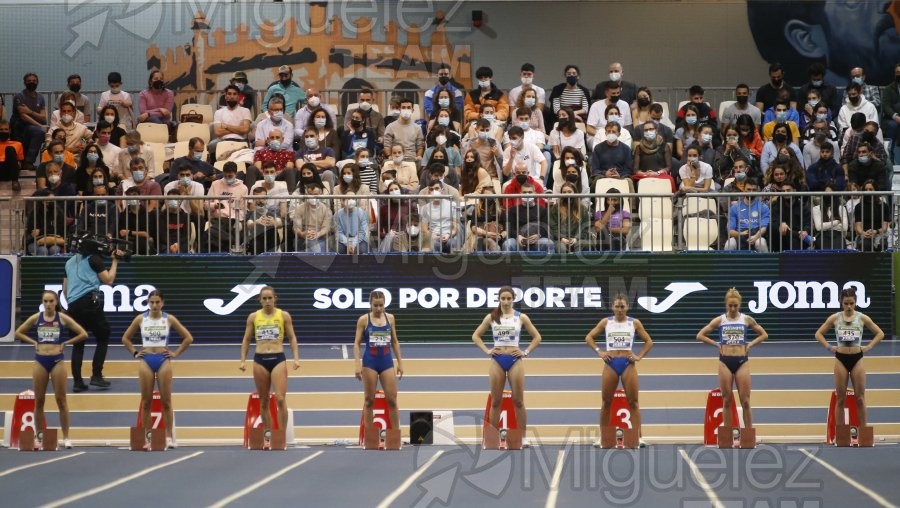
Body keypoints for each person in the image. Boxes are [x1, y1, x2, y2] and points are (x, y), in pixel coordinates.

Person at [15, 290, 88, 449]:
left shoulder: (62, 318)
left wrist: (66, 343)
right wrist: (33, 342)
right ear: (43, 303)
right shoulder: (36, 318)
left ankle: (66, 437)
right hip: (40, 360)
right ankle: (39, 436)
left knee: (61, 400)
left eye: (51, 301)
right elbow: (18, 332)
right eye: (45, 301)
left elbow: (83, 334)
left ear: (56, 302)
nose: (48, 304)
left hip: (57, 361)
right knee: (39, 401)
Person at [121, 290, 193, 450]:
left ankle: (168, 437)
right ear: (148, 303)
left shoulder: (169, 319)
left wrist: (175, 353)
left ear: (162, 303)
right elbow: (125, 338)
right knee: (146, 402)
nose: (154, 305)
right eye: (151, 302)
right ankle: (147, 436)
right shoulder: (141, 318)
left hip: (163, 360)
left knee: (166, 401)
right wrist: (135, 353)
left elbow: (188, 338)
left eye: (157, 302)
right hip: (146, 360)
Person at [471, 286, 541, 447]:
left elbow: (537, 337)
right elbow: (475, 336)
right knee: (496, 401)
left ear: (513, 299)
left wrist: (526, 351)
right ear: (499, 299)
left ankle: (523, 438)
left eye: (509, 298)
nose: (506, 301)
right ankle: (491, 438)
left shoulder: (521, 317)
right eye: (503, 298)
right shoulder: (492, 317)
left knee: (518, 401)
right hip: (497, 360)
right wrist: (487, 350)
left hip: (515, 359)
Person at [696, 288, 769, 435]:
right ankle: (728, 436)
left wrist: (750, 345)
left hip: (742, 361)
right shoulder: (720, 320)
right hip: (725, 362)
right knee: (727, 400)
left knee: (746, 401)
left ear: (740, 304)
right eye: (730, 305)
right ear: (726, 304)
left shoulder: (746, 319)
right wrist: (717, 344)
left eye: (735, 305)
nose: (733, 308)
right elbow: (700, 335)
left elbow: (764, 334)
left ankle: (748, 435)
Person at [584, 295, 653, 448]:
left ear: (627, 307)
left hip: (628, 364)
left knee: (633, 402)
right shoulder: (606, 322)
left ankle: (637, 437)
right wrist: (600, 352)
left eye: (622, 307)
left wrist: (639, 356)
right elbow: (589, 337)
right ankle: (604, 437)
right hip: (611, 363)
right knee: (606, 402)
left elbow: (649, 341)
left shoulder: (634, 323)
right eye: (617, 306)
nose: (620, 310)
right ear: (612, 308)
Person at [814, 287, 885, 434]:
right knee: (841, 398)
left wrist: (868, 347)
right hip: (841, 359)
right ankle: (841, 434)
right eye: (846, 303)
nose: (849, 306)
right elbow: (818, 334)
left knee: (860, 398)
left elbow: (880, 333)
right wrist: (830, 347)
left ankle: (864, 432)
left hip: (857, 358)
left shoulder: (862, 318)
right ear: (841, 302)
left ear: (856, 302)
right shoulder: (835, 318)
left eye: (851, 303)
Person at [239, 286, 300, 449]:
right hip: (260, 360)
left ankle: (280, 437)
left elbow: (292, 337)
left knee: (280, 399)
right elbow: (246, 339)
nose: (267, 301)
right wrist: (243, 360)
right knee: (264, 400)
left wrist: (296, 358)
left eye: (269, 298)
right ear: (260, 300)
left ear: (275, 299)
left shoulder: (283, 315)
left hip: (278, 358)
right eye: (264, 299)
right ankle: (267, 436)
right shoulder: (253, 317)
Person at [63, 233, 124, 392]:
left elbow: (64, 289)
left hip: (73, 304)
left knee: (78, 343)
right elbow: (109, 280)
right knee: (103, 336)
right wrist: (115, 261)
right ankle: (96, 375)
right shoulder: (93, 259)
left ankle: (77, 382)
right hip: (90, 302)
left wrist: (71, 304)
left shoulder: (69, 262)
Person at [353, 290, 404, 440]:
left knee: (392, 400)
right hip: (370, 362)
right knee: (369, 401)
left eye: (381, 305)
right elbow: (356, 343)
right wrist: (357, 364)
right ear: (370, 305)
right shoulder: (363, 320)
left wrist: (400, 363)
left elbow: (394, 341)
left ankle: (395, 437)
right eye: (375, 305)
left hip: (386, 361)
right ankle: (370, 438)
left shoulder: (390, 318)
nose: (379, 308)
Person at [12, 73, 48, 172]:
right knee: (38, 131)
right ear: (24, 82)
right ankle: (24, 163)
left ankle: (29, 162)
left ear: (37, 82)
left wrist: (30, 111)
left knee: (38, 131)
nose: (31, 82)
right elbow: (23, 116)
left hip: (33, 126)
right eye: (29, 81)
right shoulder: (19, 96)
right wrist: (40, 125)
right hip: (20, 125)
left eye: (34, 81)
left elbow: (43, 117)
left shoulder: (41, 97)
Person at [724, 179, 769, 252]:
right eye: (748, 189)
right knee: (729, 243)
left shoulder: (763, 207)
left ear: (757, 191)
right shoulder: (735, 207)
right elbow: (730, 231)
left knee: (761, 242)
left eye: (754, 190)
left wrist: (755, 237)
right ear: (743, 190)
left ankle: (767, 263)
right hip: (739, 235)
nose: (751, 192)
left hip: (756, 235)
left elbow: (764, 227)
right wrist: (741, 234)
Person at [0, 118, 25, 192]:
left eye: (6, 129)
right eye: (1, 130)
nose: (3, 131)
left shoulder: (17, 144)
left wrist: (18, 164)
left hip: (9, 170)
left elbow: (20, 162)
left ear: (10, 130)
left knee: (10, 149)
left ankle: (15, 182)